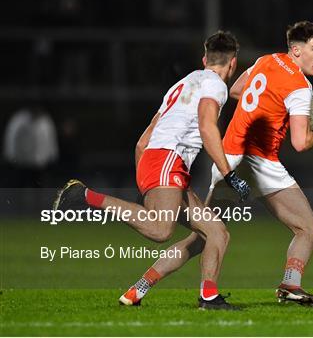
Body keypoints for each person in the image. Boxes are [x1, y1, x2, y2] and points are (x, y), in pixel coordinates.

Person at [119, 21, 313, 308]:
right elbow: (300, 142)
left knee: (204, 236)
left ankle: (139, 287)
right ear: (296, 50)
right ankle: (290, 284)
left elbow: (236, 91)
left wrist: (267, 106)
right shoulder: (301, 87)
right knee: (309, 230)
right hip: (260, 163)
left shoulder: (265, 61)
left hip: (230, 158)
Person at [53, 31, 250, 310]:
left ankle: (144, 291)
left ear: (204, 59)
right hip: (167, 161)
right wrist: (229, 174)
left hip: (159, 161)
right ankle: (84, 196)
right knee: (160, 230)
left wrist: (146, 183)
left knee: (216, 233)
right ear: (233, 65)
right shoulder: (216, 85)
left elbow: (142, 141)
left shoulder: (180, 85)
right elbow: (208, 128)